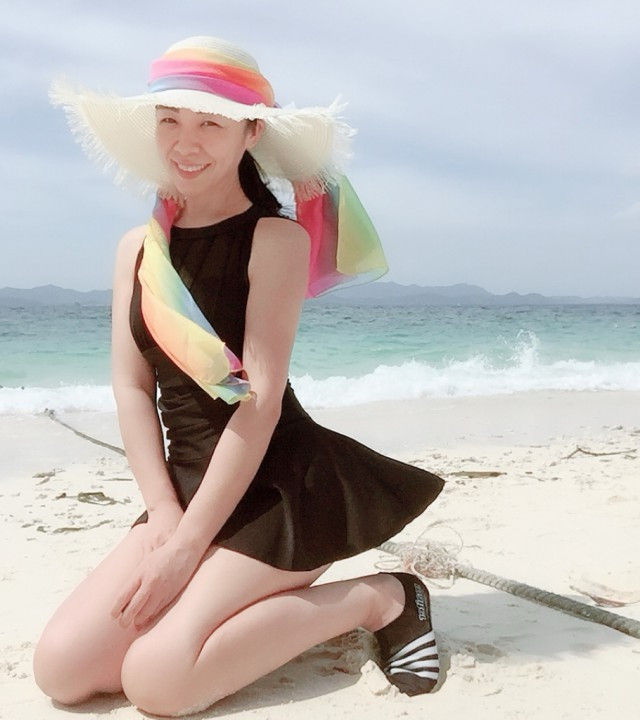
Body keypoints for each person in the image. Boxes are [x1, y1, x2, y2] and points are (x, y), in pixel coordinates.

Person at [34, 36, 445, 715]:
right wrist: (165, 514)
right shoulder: (138, 248)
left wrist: (187, 548)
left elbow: (259, 402)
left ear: (250, 133)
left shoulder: (275, 239)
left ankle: (383, 598)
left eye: (210, 123)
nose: (186, 142)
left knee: (159, 681)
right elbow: (132, 387)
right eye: (171, 119)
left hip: (280, 485)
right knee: (64, 669)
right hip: (185, 486)